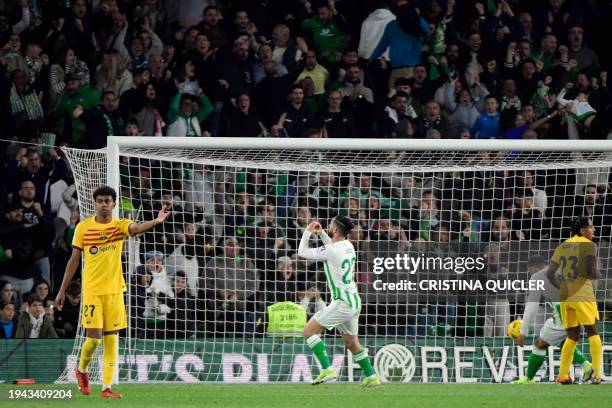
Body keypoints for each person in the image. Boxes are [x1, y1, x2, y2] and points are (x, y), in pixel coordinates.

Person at [54, 185, 170, 398]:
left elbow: (135, 228)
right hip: (92, 291)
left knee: (112, 339)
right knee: (95, 338)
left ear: (114, 204)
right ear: (95, 203)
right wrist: (61, 290)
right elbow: (73, 260)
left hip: (115, 291)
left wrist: (156, 221)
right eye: (100, 201)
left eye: (108, 201)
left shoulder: (119, 226)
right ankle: (81, 370)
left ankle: (106, 387)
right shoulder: (83, 228)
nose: (104, 205)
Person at [298, 215, 380, 387]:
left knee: (308, 331)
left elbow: (302, 252)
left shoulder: (333, 249)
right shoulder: (348, 245)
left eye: (330, 224)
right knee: (351, 343)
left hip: (342, 302)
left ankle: (327, 369)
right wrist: (320, 235)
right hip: (354, 301)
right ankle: (372, 376)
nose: (328, 225)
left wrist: (308, 231)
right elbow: (332, 247)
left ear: (335, 230)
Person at [513, 256, 593, 384]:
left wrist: (523, 332)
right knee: (562, 341)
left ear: (533, 268)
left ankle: (528, 379)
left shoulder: (536, 277)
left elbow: (531, 307)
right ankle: (586, 366)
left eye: (529, 271)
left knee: (539, 344)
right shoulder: (561, 272)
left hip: (564, 313)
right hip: (582, 309)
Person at [547, 216, 602, 384]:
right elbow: (591, 272)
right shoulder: (588, 245)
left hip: (565, 296)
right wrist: (599, 273)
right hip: (582, 293)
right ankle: (597, 374)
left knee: (572, 335)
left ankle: (563, 375)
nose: (593, 230)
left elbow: (550, 274)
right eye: (591, 227)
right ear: (582, 230)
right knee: (592, 331)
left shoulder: (563, 245)